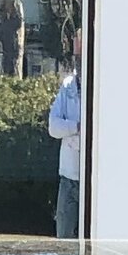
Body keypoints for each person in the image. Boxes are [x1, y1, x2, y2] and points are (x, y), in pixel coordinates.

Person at [45, 66, 83, 235]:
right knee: (64, 239)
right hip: (69, 177)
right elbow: (54, 127)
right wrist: (77, 127)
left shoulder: (105, 86)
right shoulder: (68, 86)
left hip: (97, 182)